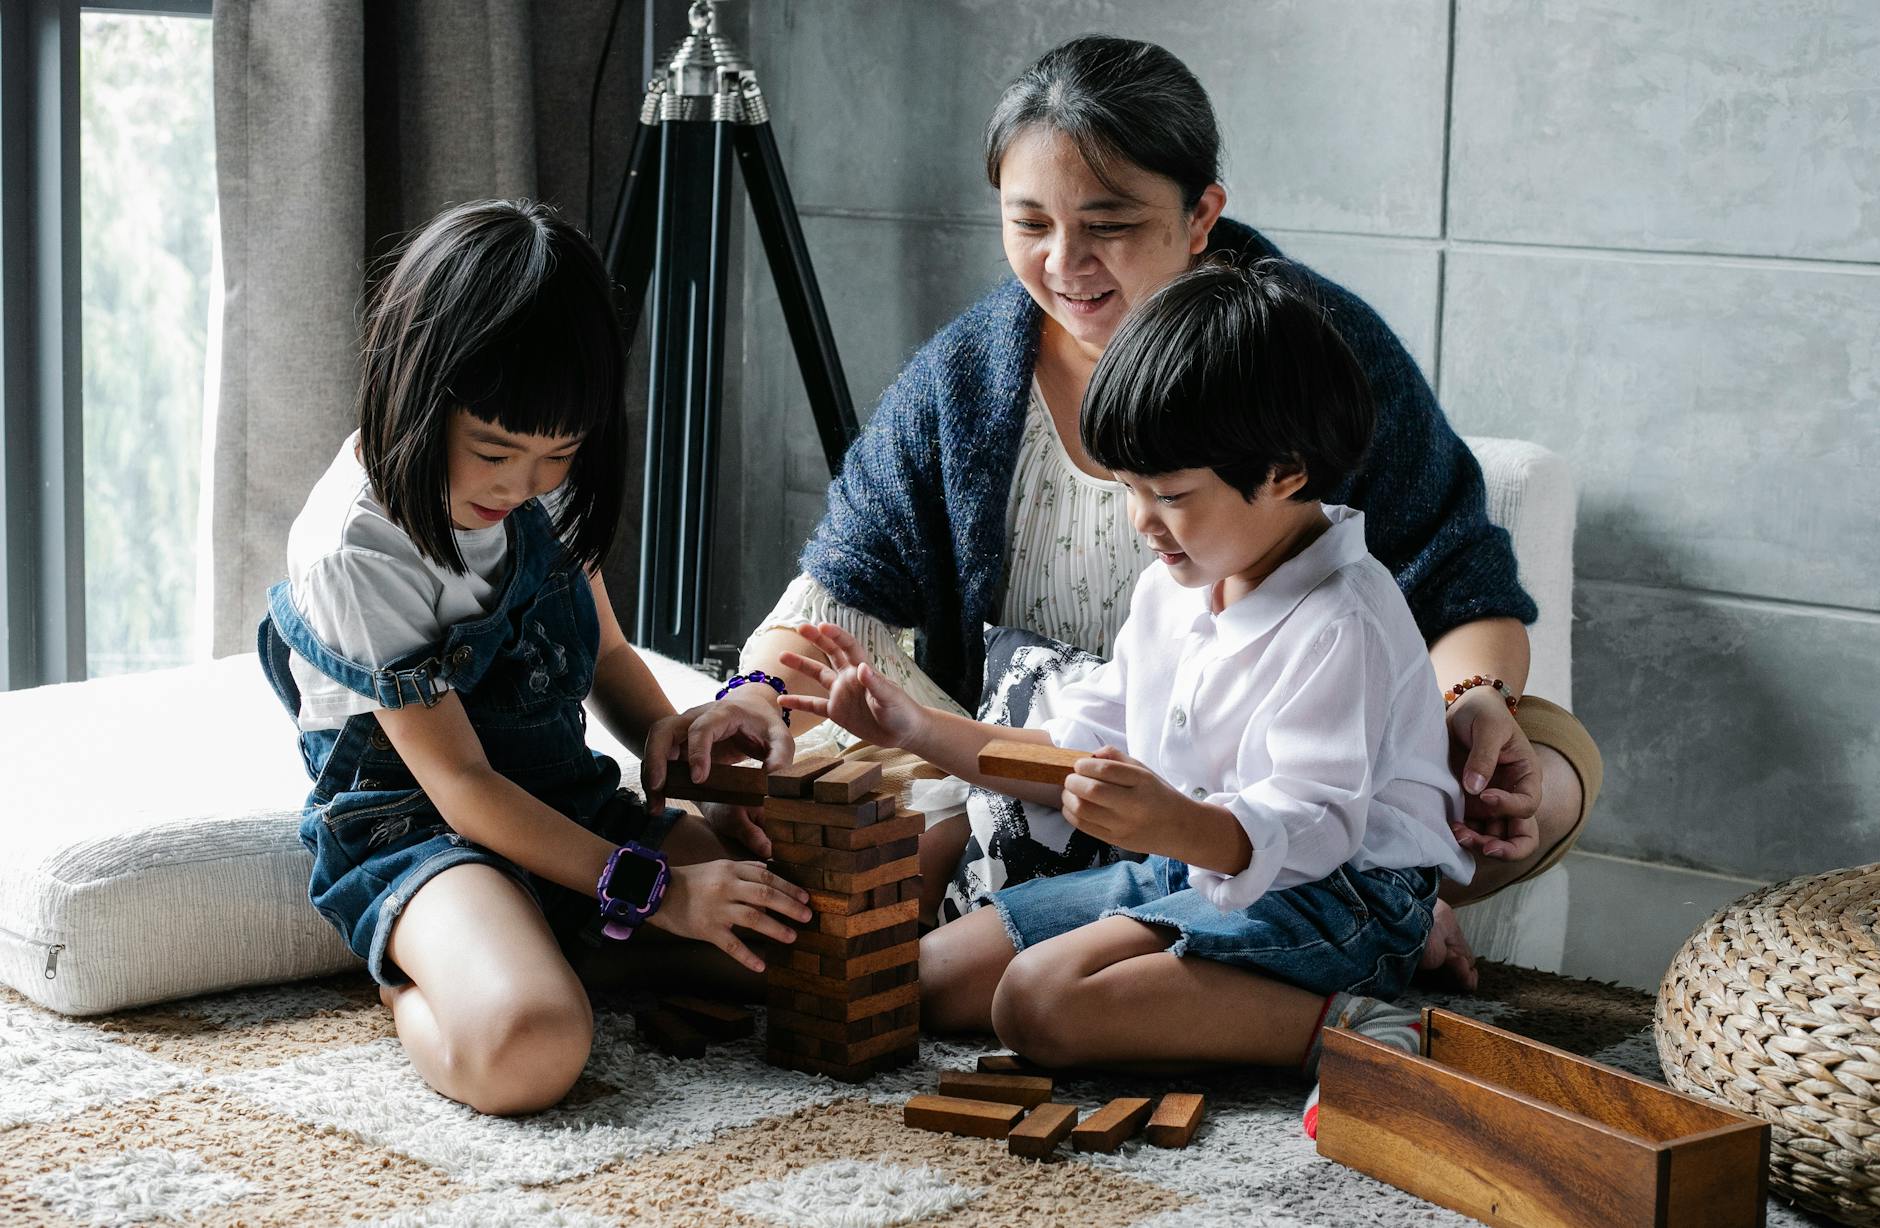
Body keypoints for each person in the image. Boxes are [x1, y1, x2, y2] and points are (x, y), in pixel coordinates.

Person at [682, 34, 1600, 985]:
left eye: (1109, 223)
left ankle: (1364, 919)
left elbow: (1457, 579)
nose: (1066, 262)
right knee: (821, 845)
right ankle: (1274, 921)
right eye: (1029, 224)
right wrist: (754, 700)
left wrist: (1472, 701)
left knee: (1552, 777)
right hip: (1073, 741)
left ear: (1201, 213)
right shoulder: (967, 380)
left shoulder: (1302, 349)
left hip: (1294, 760)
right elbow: (837, 594)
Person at [783, 260, 1464, 1135]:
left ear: (1287, 472)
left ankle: (1357, 1029)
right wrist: (917, 730)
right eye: (1130, 489)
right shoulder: (1175, 588)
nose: (1143, 521)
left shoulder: (1344, 620)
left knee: (1038, 1003)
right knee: (921, 982)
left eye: (1171, 495)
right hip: (1200, 863)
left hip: (1341, 895)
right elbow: (1073, 752)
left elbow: (1317, 825)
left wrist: (1169, 823)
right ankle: (1219, 991)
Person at [257, 200, 809, 1116]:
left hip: (562, 802)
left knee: (795, 935)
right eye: (495, 451)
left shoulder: (538, 486)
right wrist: (651, 887)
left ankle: (572, 936)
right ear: (413, 388)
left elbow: (608, 652)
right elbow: (462, 785)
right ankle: (425, 978)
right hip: (421, 829)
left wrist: (667, 728)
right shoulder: (356, 546)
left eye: (558, 455)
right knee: (531, 1050)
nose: (522, 487)